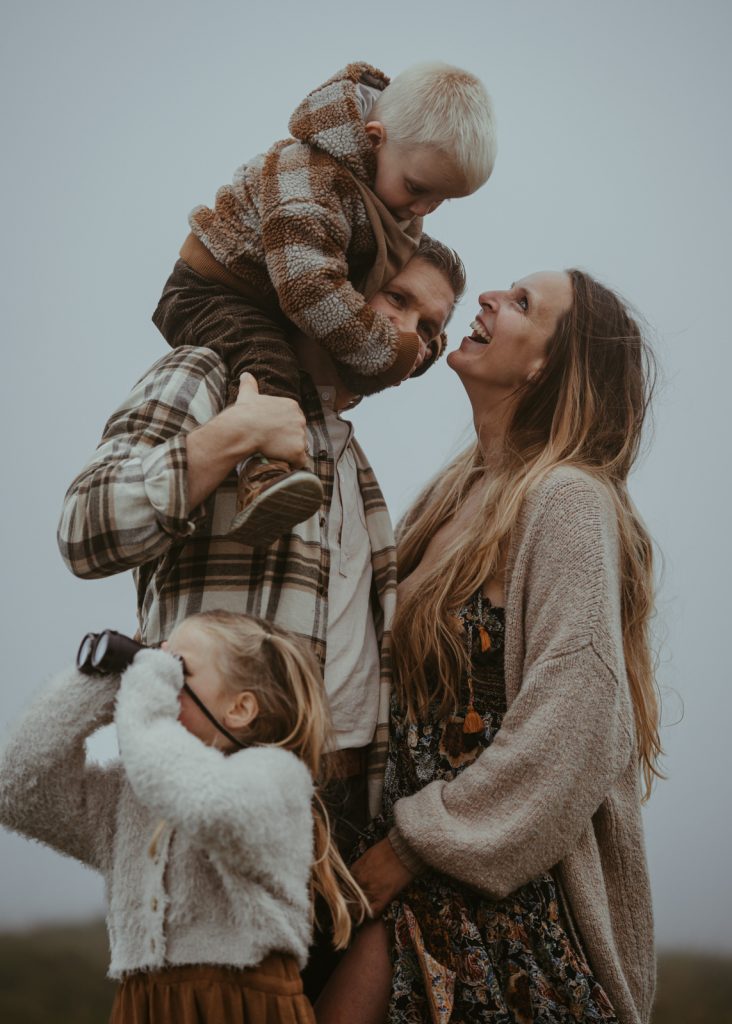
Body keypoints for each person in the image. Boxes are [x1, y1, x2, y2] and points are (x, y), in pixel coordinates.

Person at [58, 238, 465, 999]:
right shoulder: (211, 373)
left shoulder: (354, 462)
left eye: (434, 330)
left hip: (335, 819)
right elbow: (84, 528)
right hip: (217, 805)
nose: (416, 336)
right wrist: (232, 436)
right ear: (336, 289)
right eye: (399, 300)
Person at [315, 270, 660, 1024]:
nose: (489, 301)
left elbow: (572, 726)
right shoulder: (451, 495)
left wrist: (414, 847)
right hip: (385, 882)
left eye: (522, 304)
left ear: (549, 364)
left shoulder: (568, 500)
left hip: (487, 911)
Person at [153, 60, 495, 545]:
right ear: (374, 138)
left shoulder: (390, 192)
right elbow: (309, 287)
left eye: (441, 200)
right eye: (419, 189)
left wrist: (412, 349)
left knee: (279, 353)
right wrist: (386, 348)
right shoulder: (307, 172)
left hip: (271, 296)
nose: (422, 209)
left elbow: (362, 289)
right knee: (265, 363)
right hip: (214, 289)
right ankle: (266, 476)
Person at [0, 610, 370, 1023]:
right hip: (142, 1005)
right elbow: (16, 785)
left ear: (240, 707)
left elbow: (201, 800)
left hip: (239, 1005)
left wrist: (144, 703)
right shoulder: (132, 798)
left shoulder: (277, 779)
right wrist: (98, 686)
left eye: (177, 669)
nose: (155, 675)